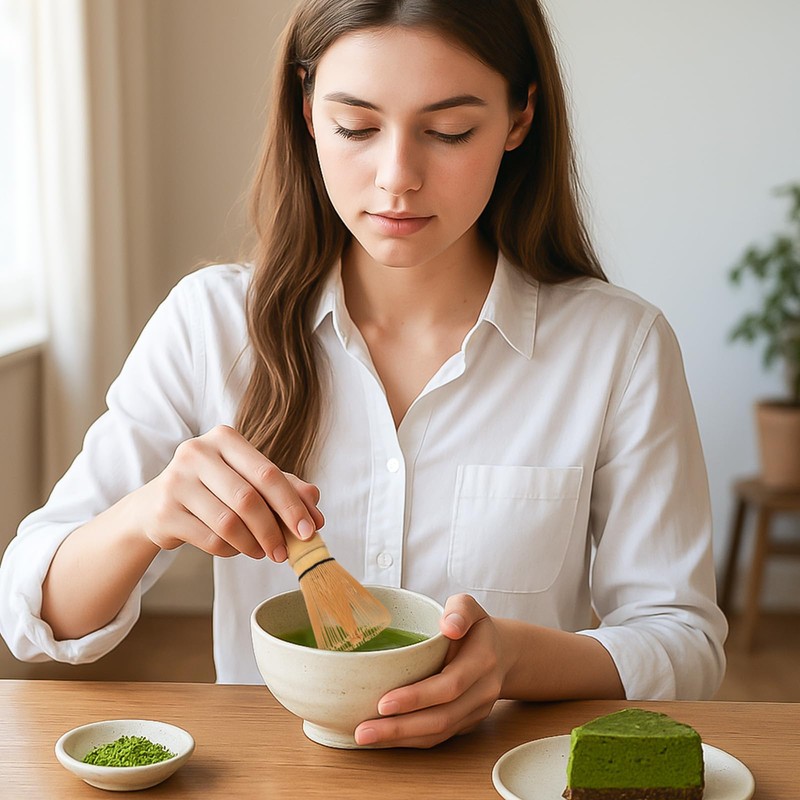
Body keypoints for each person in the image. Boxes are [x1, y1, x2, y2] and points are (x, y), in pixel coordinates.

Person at [0, 0, 726, 748]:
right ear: (308, 109)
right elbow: (35, 613)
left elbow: (685, 643)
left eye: (449, 132)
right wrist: (146, 515)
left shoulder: (619, 346)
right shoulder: (209, 325)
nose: (396, 179)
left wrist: (514, 661)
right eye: (356, 127)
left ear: (519, 119)